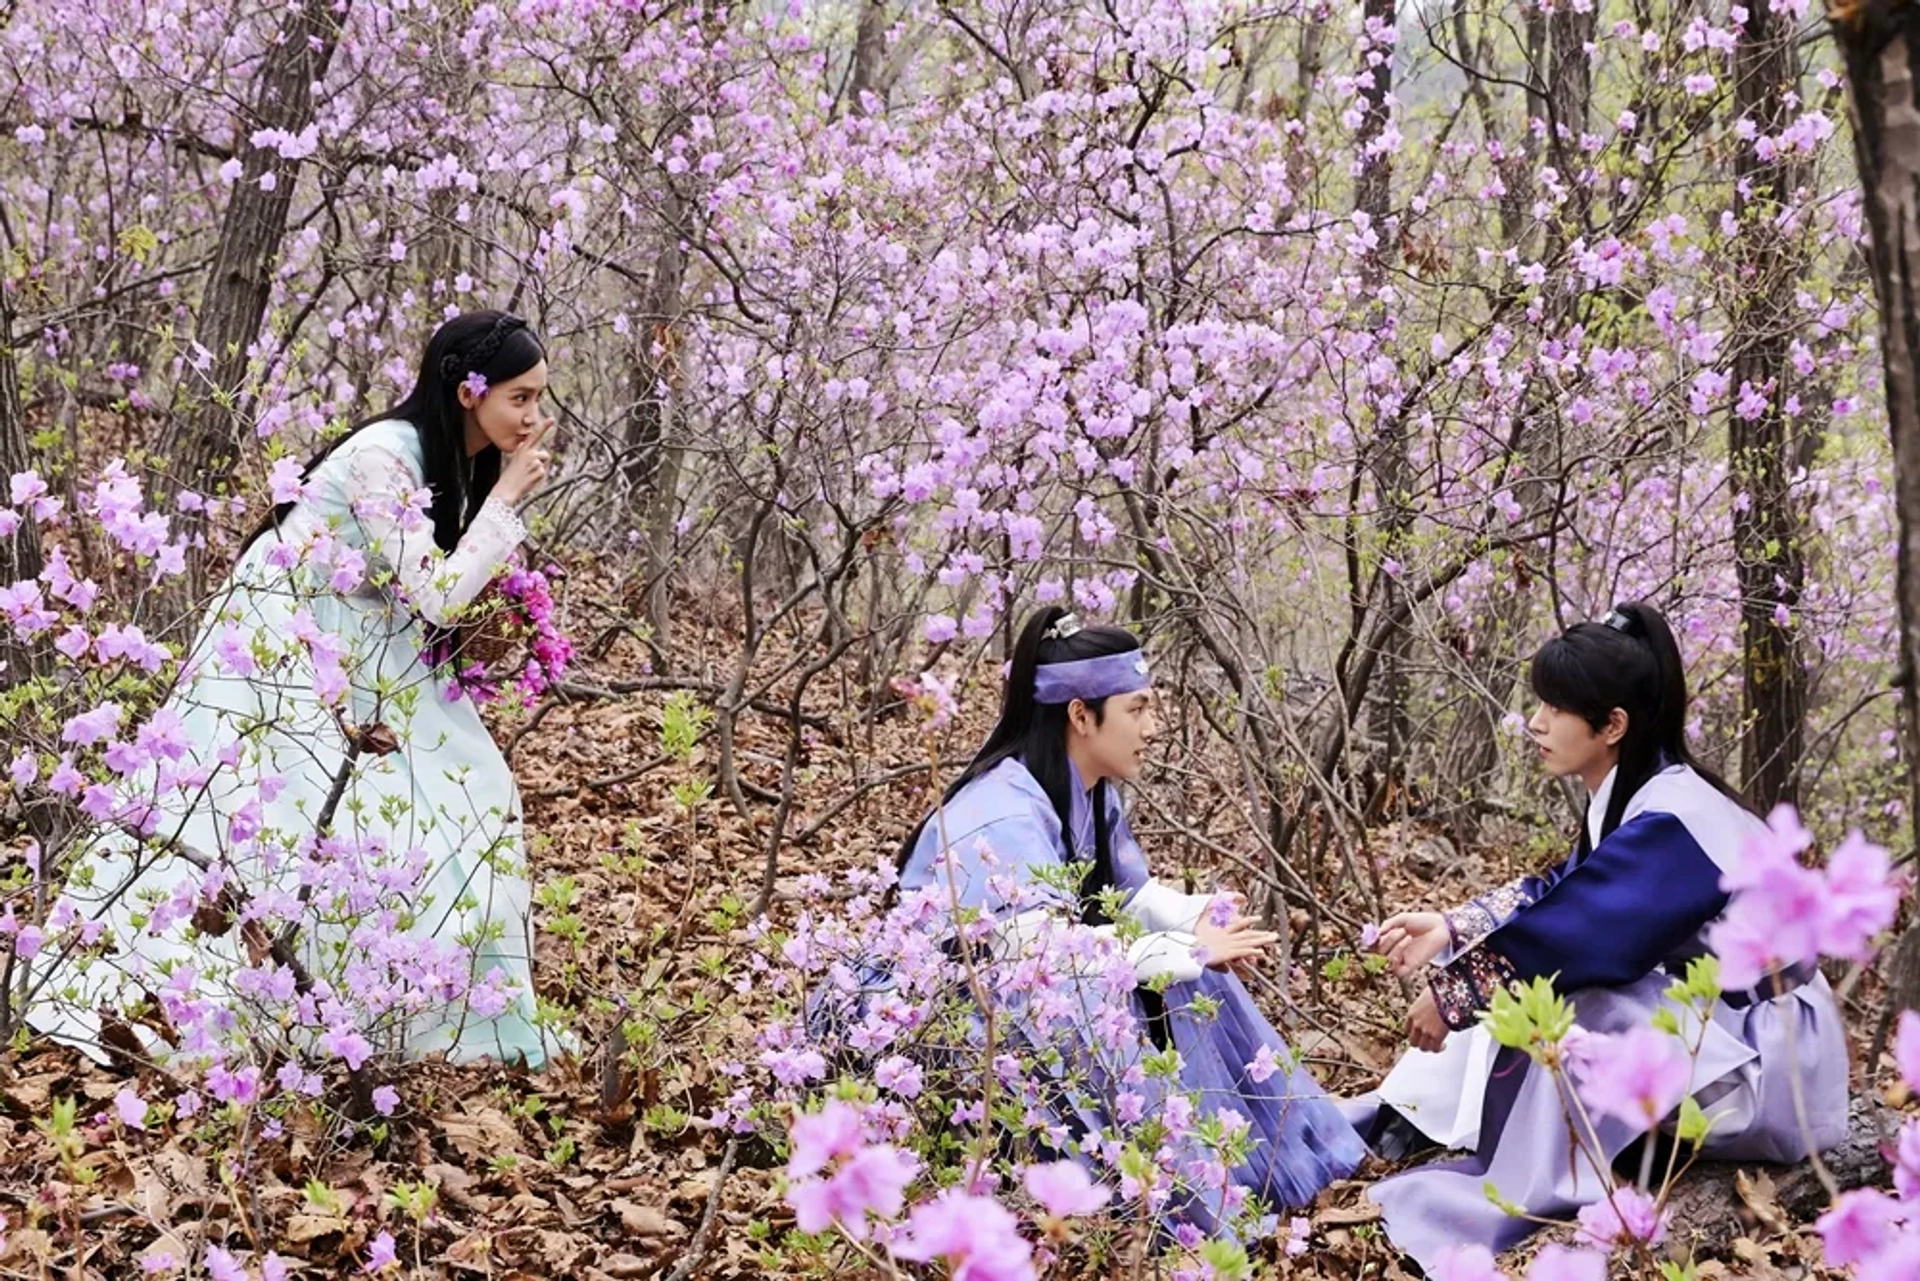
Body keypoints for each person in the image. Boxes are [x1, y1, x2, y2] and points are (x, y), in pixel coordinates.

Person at [24, 310, 563, 1068]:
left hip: (364, 639)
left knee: (467, 785)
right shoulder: (387, 456)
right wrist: (506, 501)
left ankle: (426, 1008)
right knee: (280, 813)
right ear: (468, 392)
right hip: (288, 638)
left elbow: (429, 595)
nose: (535, 416)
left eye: (541, 397)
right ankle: (243, 999)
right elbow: (436, 595)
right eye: (521, 398)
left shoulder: (451, 460)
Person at [1341, 602, 1850, 1270]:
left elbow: (1579, 937)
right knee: (1513, 968)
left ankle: (1518, 1187)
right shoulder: (1644, 790)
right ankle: (1405, 1119)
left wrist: (1452, 996)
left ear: (1613, 725)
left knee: (1571, 1000)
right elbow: (1565, 891)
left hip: (1777, 1064)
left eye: (1557, 708)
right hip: (1739, 1029)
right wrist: (1450, 928)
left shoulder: (1674, 818)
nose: (1538, 723)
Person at [893, 606, 1366, 1232]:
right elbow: (1033, 957)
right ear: (1081, 716)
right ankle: (1181, 1200)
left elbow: (1126, 893)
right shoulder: (1001, 813)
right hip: (947, 1018)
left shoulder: (1087, 790)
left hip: (1030, 980)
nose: (1153, 726)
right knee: (1129, 978)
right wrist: (1176, 948)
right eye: (1137, 709)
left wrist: (1195, 923)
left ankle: (1270, 1162)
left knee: (1193, 965)